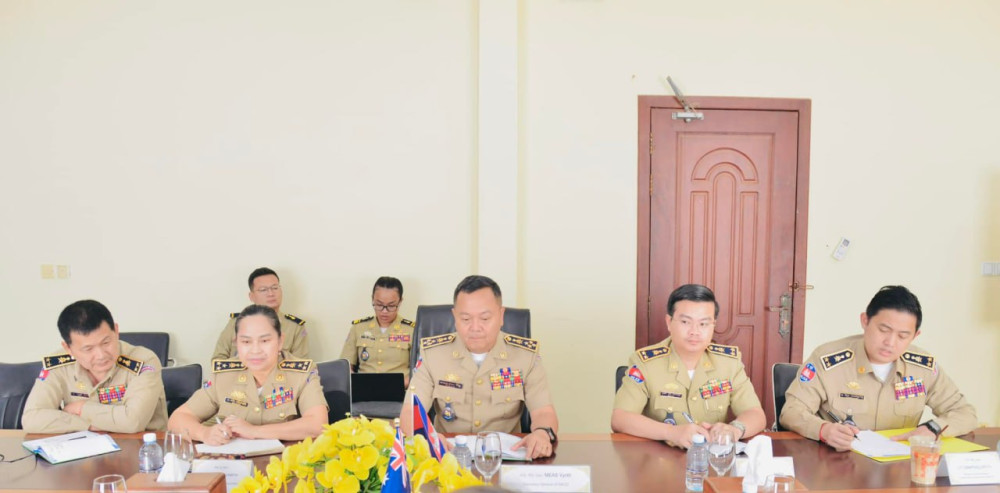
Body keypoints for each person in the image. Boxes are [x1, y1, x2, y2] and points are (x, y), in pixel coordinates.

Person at [779, 285, 978, 452]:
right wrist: (823, 430)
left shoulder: (922, 367)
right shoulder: (828, 360)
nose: (890, 342)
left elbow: (965, 413)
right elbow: (791, 412)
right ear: (865, 321)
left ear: (915, 336)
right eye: (883, 330)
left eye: (902, 336)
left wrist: (933, 428)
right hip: (839, 463)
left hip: (897, 468)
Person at [400, 275, 558, 459]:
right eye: (466, 319)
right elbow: (410, 412)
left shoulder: (525, 356)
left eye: (485, 318)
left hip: (506, 458)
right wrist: (426, 437)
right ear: (455, 317)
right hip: (448, 457)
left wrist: (542, 433)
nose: (475, 328)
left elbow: (543, 411)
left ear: (501, 316)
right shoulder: (433, 354)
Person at [611, 284, 766, 448]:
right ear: (669, 322)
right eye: (685, 322)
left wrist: (735, 429)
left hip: (711, 457)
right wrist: (671, 433)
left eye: (703, 324)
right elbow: (620, 418)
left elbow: (755, 414)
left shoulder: (729, 363)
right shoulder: (645, 363)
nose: (695, 331)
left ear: (713, 325)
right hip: (659, 456)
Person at [169, 304, 327, 445]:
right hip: (231, 461)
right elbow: (178, 418)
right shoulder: (224, 375)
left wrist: (254, 431)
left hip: (284, 461)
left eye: (264, 341)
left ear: (280, 341)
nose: (255, 350)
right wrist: (204, 433)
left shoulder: (301, 373)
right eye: (246, 342)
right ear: (236, 343)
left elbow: (317, 424)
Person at [22, 300, 168, 433]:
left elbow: (133, 422)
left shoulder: (143, 361)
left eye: (106, 342)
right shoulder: (58, 365)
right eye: (88, 349)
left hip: (141, 448)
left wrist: (81, 408)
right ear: (68, 348)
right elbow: (31, 419)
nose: (101, 355)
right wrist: (87, 425)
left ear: (116, 331)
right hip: (82, 448)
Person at [211, 267, 308, 360]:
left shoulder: (295, 327)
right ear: (251, 296)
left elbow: (302, 366)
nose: (271, 293)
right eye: (263, 290)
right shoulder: (236, 323)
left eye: (275, 288)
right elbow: (218, 360)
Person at [340, 276, 415, 385]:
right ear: (372, 299)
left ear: (400, 302)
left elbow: (420, 371)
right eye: (379, 305)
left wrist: (400, 384)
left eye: (391, 306)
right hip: (363, 389)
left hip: (399, 389)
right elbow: (345, 365)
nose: (384, 311)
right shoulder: (359, 328)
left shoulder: (412, 330)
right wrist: (354, 382)